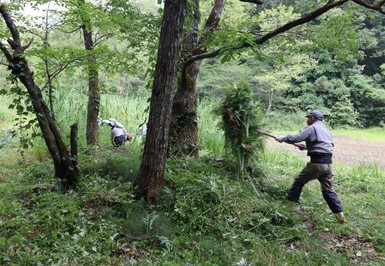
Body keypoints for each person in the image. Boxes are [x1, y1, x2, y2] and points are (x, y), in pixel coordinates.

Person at [275, 110, 345, 223]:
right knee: (328, 190)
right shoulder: (326, 131)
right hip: (328, 164)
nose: (307, 120)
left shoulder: (312, 128)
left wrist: (283, 138)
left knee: (298, 182)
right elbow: (323, 145)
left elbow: (295, 138)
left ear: (313, 118)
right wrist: (305, 147)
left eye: (308, 118)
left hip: (317, 163)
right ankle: (340, 216)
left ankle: (289, 208)